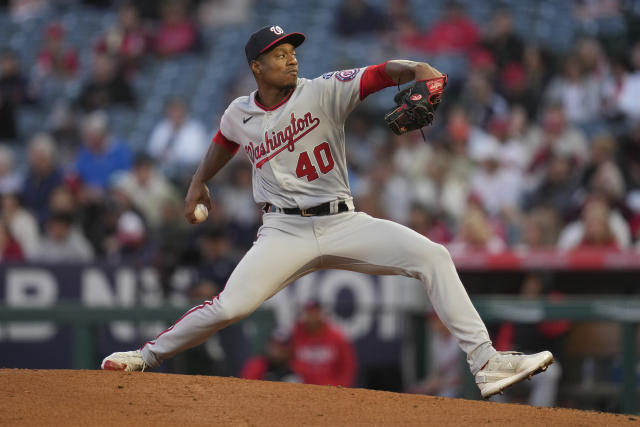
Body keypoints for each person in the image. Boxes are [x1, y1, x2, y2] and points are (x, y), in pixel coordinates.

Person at [102, 25, 554, 399]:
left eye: (292, 51)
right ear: (256, 67)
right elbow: (224, 141)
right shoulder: (239, 111)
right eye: (279, 54)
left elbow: (382, 73)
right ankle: (146, 356)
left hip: (342, 221)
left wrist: (418, 69)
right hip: (283, 231)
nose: (292, 59)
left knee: (433, 256)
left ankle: (487, 363)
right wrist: (199, 181)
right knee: (229, 307)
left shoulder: (323, 91)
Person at [289, 301, 356, 387]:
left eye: (315, 313)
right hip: (302, 389)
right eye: (309, 313)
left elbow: (348, 365)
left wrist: (341, 387)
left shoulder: (336, 336)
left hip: (329, 389)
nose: (312, 317)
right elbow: (288, 360)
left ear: (322, 314)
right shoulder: (296, 335)